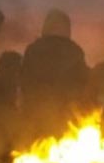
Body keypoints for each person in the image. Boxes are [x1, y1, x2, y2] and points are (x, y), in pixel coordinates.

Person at [19, 9, 90, 140]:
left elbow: (25, 80)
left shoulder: (34, 49)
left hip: (36, 112)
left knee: (37, 145)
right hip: (66, 113)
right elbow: (83, 81)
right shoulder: (74, 50)